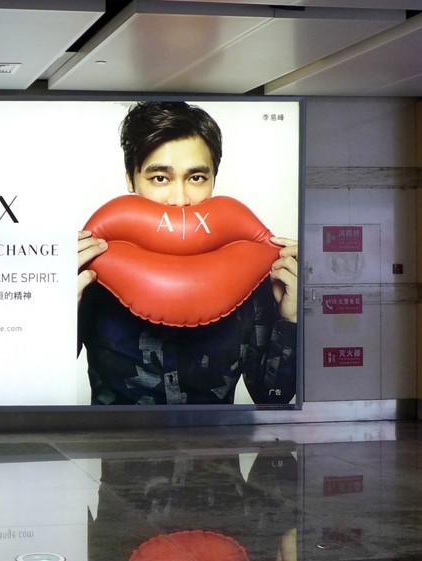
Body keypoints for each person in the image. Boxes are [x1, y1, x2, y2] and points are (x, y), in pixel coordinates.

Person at [77, 101, 298, 405]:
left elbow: (272, 396)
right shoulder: (90, 271)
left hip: (215, 436)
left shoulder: (248, 268)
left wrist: (291, 318)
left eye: (196, 178)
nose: (180, 200)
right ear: (130, 178)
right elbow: (37, 381)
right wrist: (52, 308)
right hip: (120, 437)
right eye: (160, 178)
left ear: (214, 179)